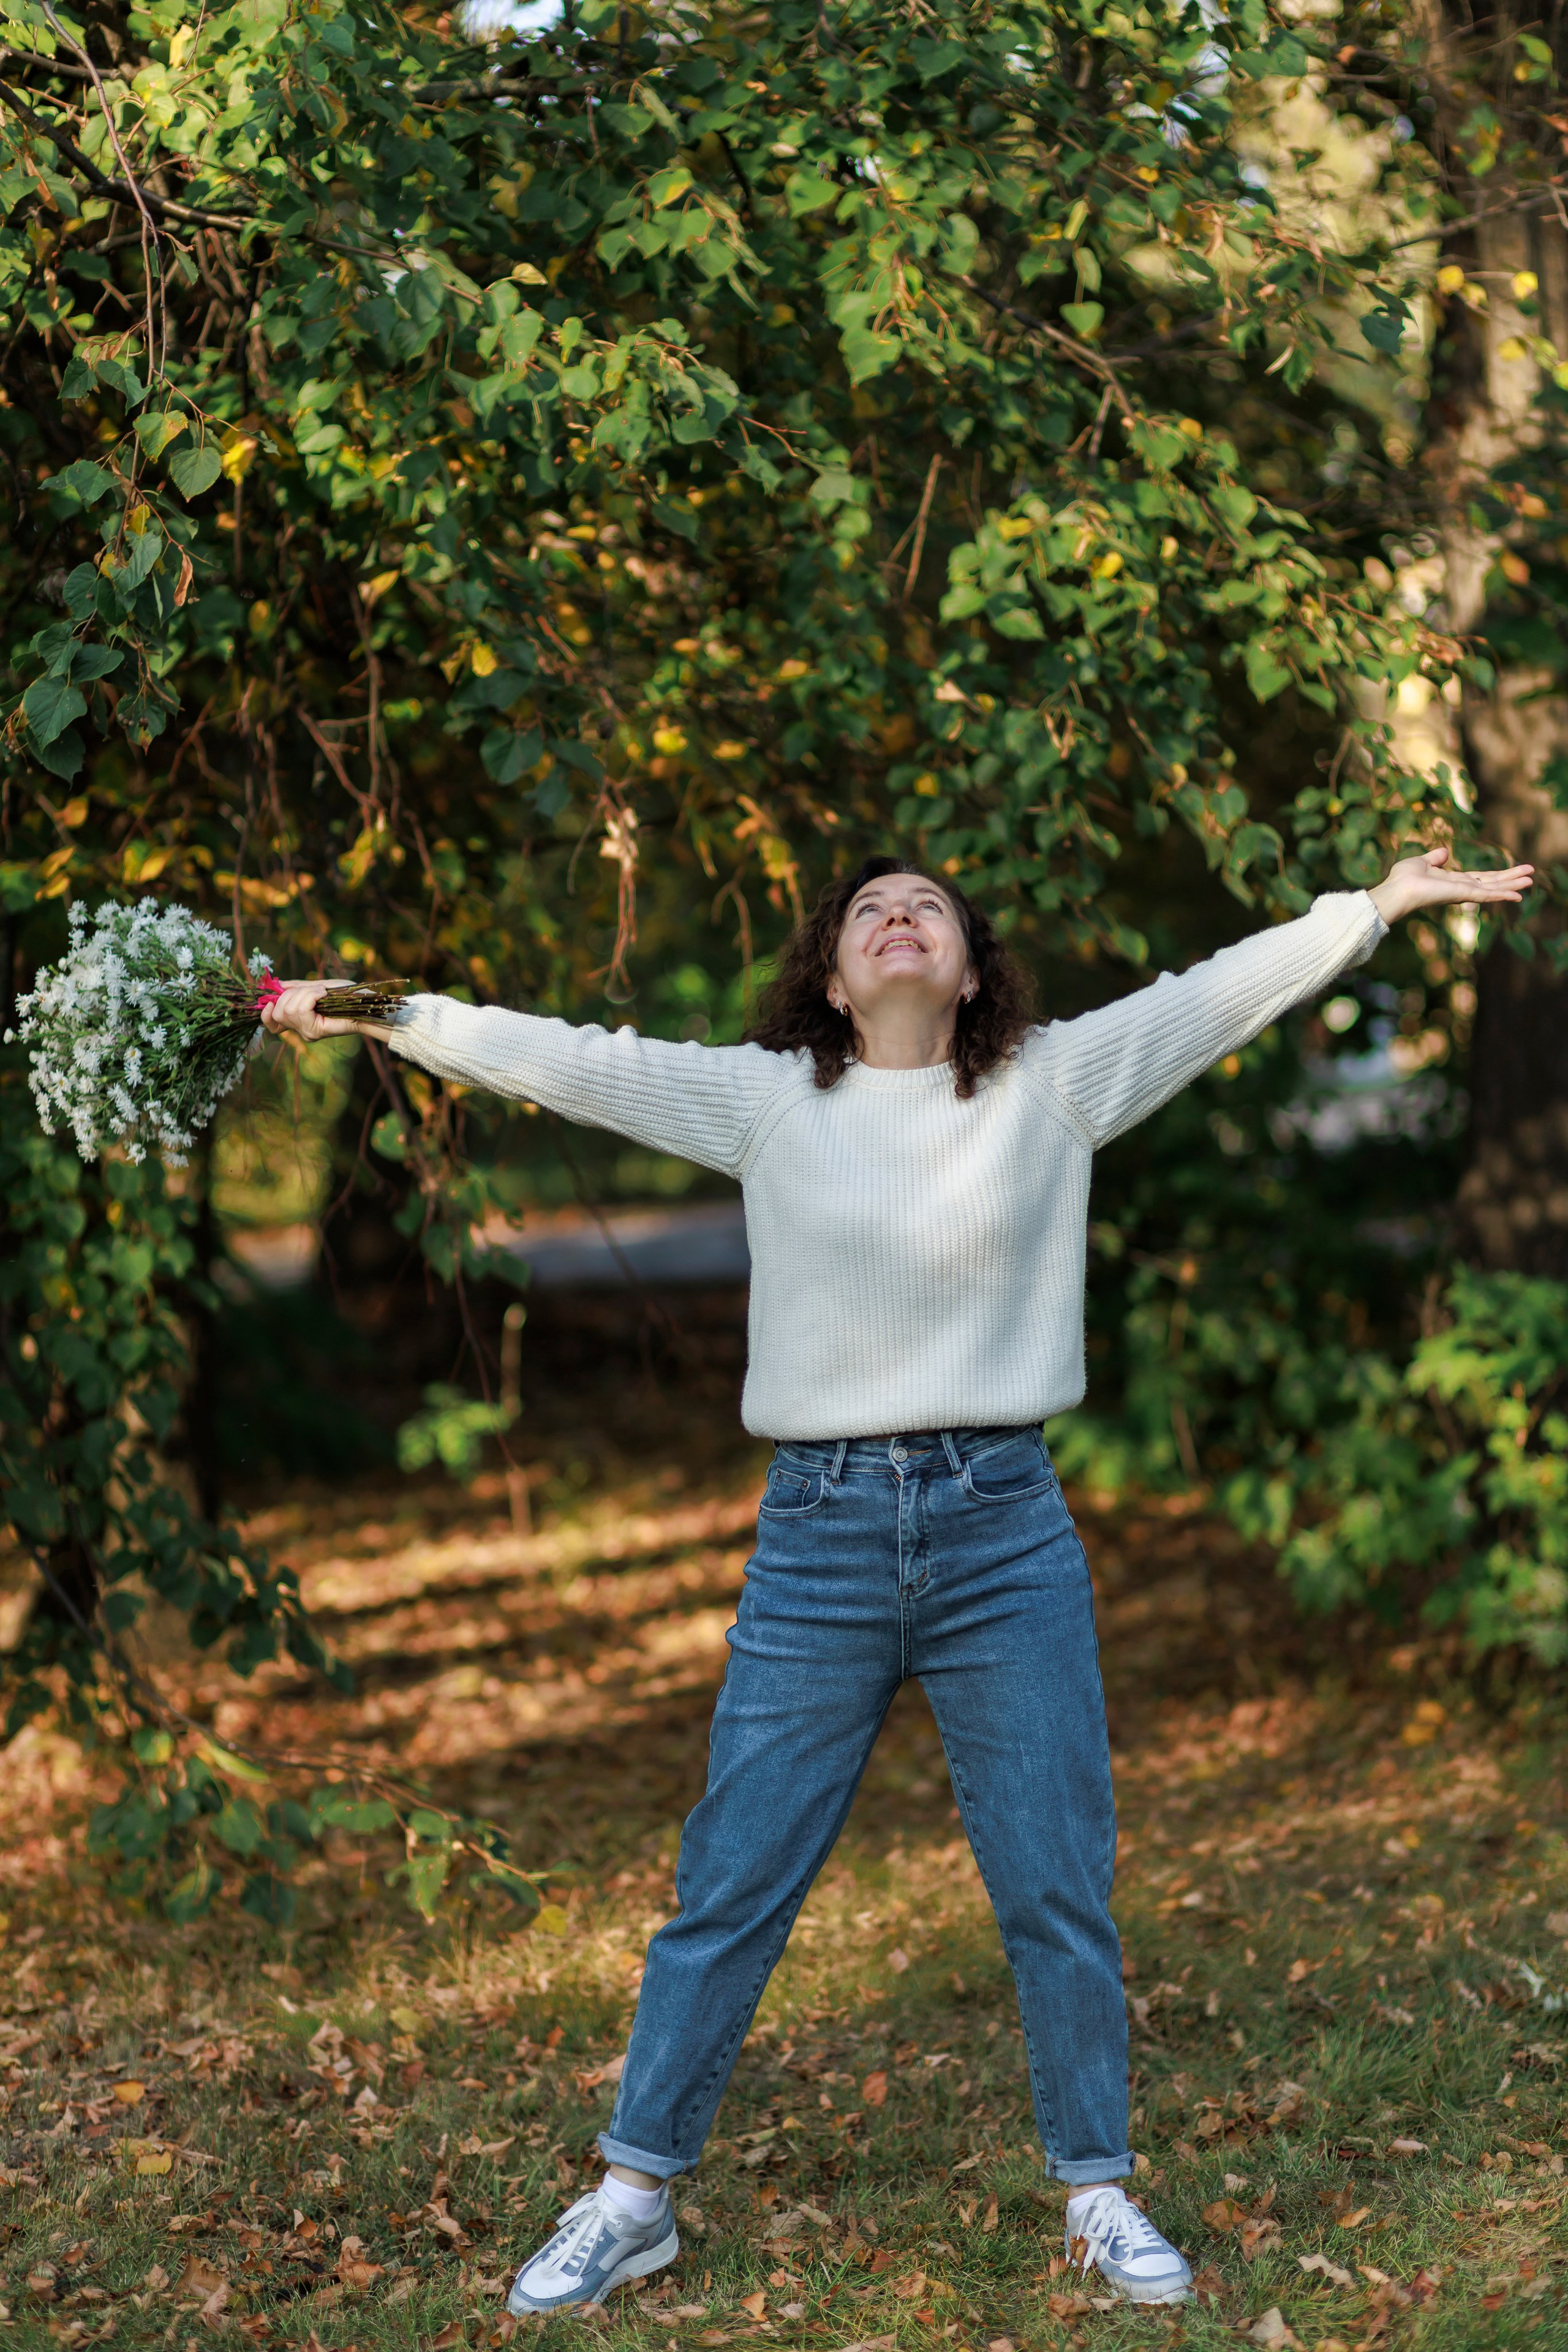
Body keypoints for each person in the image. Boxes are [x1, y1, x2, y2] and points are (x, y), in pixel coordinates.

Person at [263, 841, 1531, 2312]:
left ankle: (1095, 2191)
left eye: (925, 904)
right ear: (829, 976)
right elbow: (556, 1058)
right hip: (821, 1536)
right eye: (865, 910)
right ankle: (631, 2196)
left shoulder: (1051, 1085)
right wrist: (358, 1009)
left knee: (1055, 1875)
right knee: (730, 1881)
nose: (896, 916)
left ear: (972, 966)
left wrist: (1368, 912)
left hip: (1006, 1530)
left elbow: (1213, 993)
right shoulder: (765, 1101)